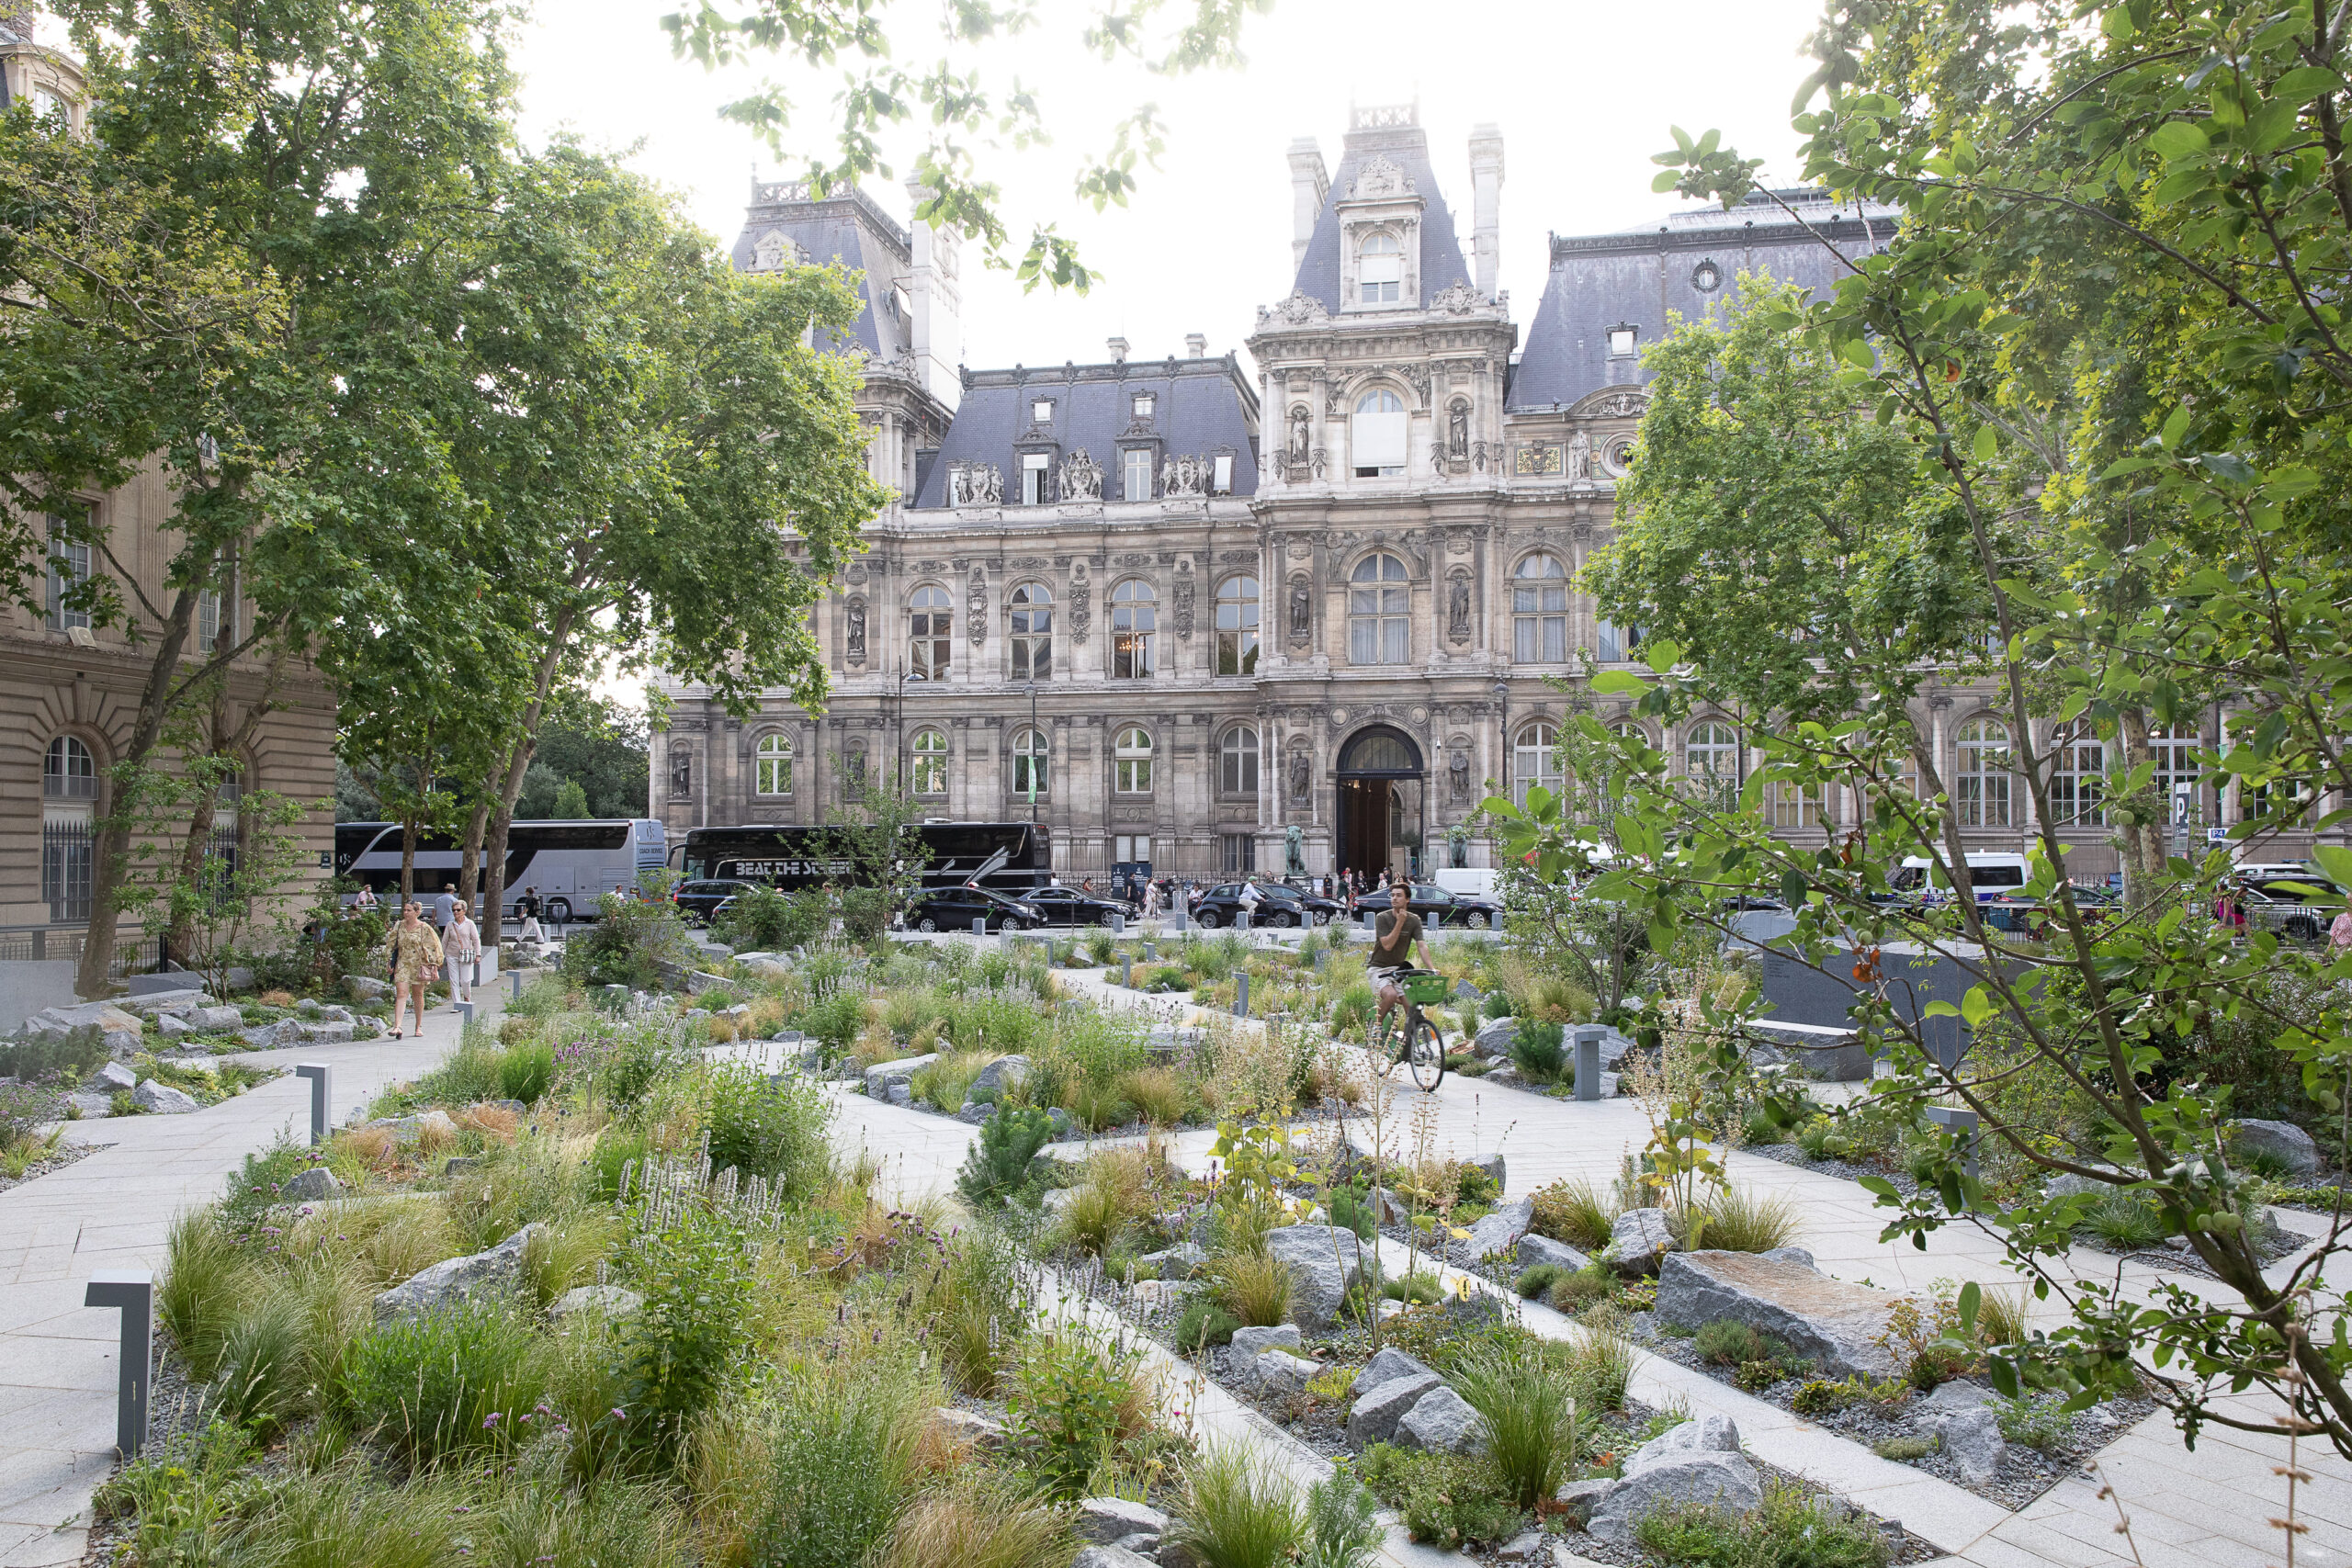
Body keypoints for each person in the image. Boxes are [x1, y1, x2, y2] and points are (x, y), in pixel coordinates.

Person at [1367, 880, 1436, 1032]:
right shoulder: (1382, 918)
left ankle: (1409, 1043)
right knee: (1391, 995)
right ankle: (1375, 1028)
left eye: (1399, 895)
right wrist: (1400, 922)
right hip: (1378, 969)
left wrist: (1432, 968)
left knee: (1411, 1003)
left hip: (1398, 970)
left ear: (1407, 899)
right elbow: (1387, 945)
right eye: (1392, 895)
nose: (1394, 898)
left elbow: (1421, 945)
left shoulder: (1414, 920)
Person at [385, 900, 445, 1039]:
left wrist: (435, 967)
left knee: (418, 994)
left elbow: (434, 947)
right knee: (401, 993)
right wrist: (389, 961)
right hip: (403, 963)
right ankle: (397, 1026)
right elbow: (391, 944)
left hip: (419, 965)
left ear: (417, 912)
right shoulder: (399, 926)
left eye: (409, 910)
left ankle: (418, 1026)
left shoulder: (424, 928)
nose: (405, 913)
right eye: (404, 910)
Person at [444, 900, 480, 1003]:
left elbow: (476, 940)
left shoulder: (470, 924)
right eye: (454, 910)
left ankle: (467, 996)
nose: (455, 912)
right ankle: (457, 1003)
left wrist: (478, 954)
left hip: (466, 955)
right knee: (454, 980)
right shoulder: (450, 924)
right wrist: (441, 956)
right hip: (452, 955)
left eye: (458, 910)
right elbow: (445, 941)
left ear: (464, 910)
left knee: (465, 980)